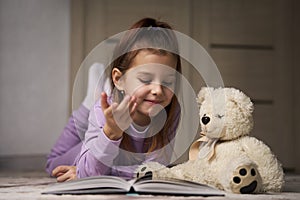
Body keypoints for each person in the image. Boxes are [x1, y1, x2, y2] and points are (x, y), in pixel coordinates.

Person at [47, 17, 182, 181]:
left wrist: (102, 171)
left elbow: (153, 170)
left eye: (168, 81)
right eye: (146, 80)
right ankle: (90, 102)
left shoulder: (170, 111)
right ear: (119, 79)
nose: (158, 90)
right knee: (53, 164)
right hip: (97, 141)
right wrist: (111, 133)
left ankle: (95, 95)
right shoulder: (105, 112)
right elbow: (89, 173)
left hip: (114, 160)